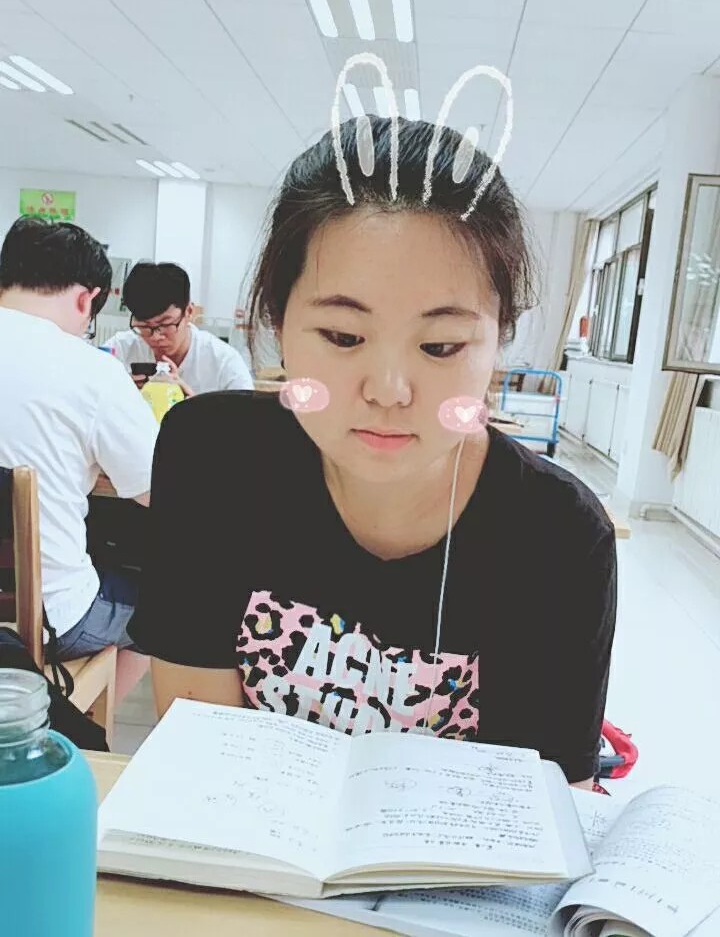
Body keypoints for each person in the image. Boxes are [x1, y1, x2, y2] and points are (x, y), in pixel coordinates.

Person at [130, 117, 617, 790]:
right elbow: (204, 756)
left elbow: (534, 811)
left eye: (441, 347)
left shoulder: (557, 535)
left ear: (498, 341)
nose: (388, 391)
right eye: (342, 336)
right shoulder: (213, 457)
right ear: (277, 323)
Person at [0, 217, 159, 664]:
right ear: (87, 299)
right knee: (165, 604)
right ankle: (72, 710)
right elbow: (160, 490)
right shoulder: (92, 370)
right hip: (44, 617)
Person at [106, 262, 253, 396]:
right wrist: (120, 394)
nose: (156, 337)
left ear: (189, 311)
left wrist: (192, 405)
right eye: (144, 326)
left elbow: (248, 415)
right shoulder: (120, 349)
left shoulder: (223, 362)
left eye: (165, 324)